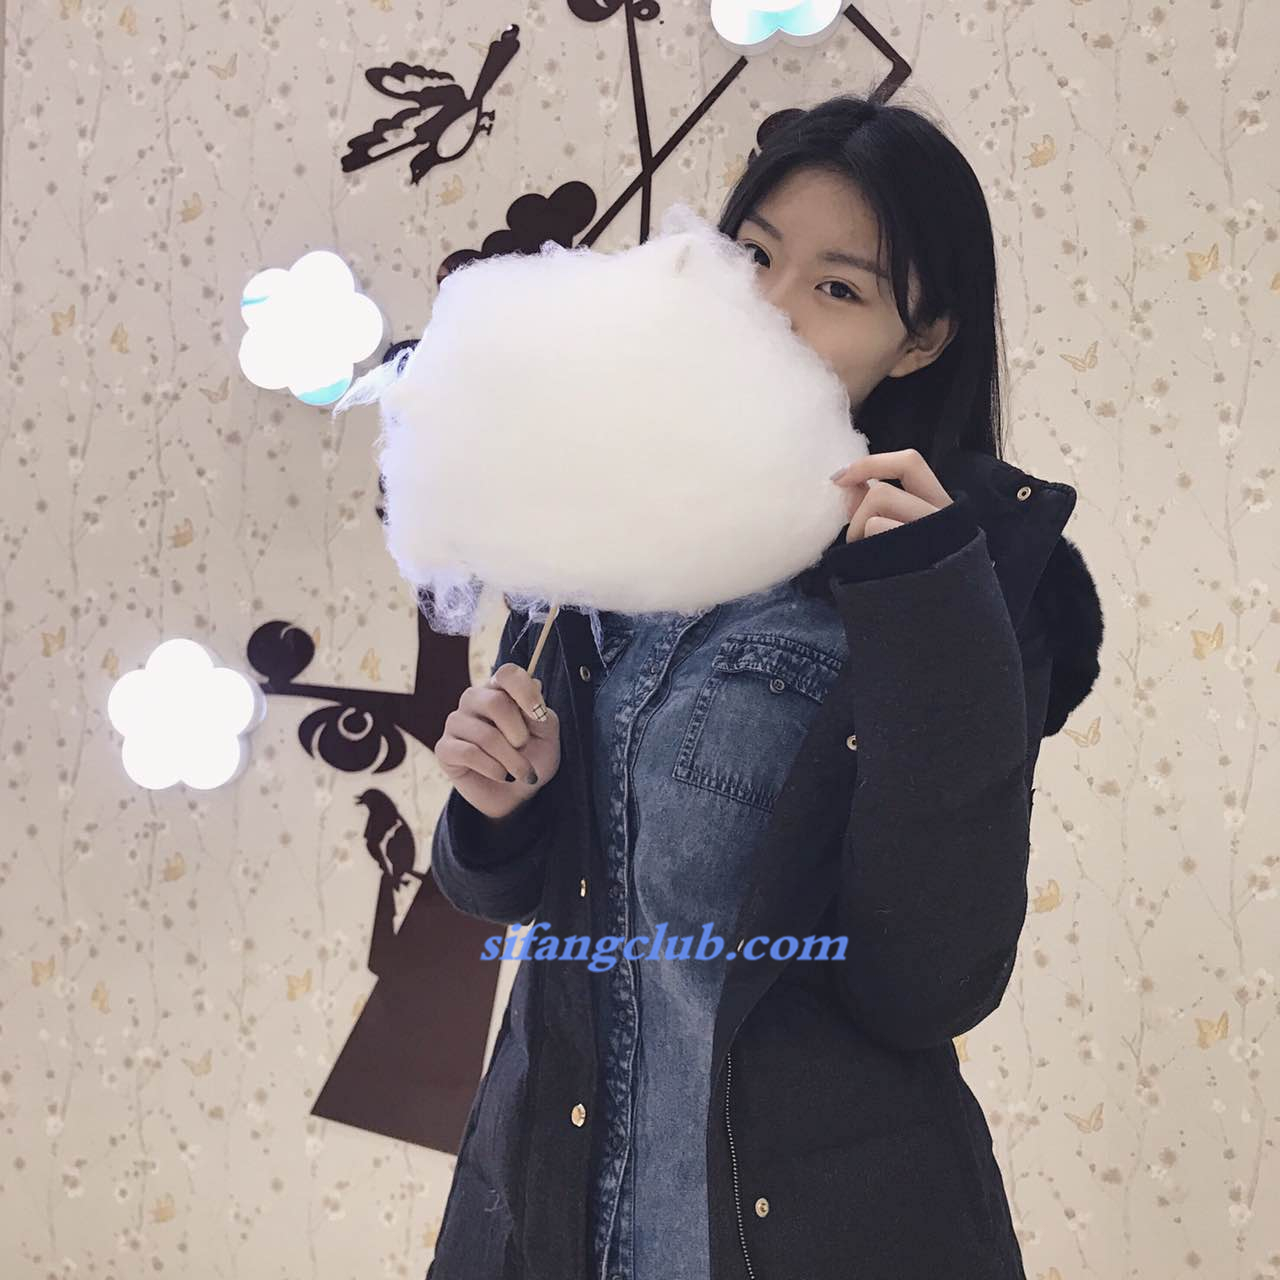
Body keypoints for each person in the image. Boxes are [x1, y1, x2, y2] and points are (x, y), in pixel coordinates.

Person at [426, 92, 1105, 1280]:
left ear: (921, 340)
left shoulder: (961, 576)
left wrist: (925, 609)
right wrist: (500, 807)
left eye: (837, 287)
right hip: (549, 1213)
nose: (770, 307)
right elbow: (519, 895)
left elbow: (928, 979)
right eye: (753, 255)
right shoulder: (599, 524)